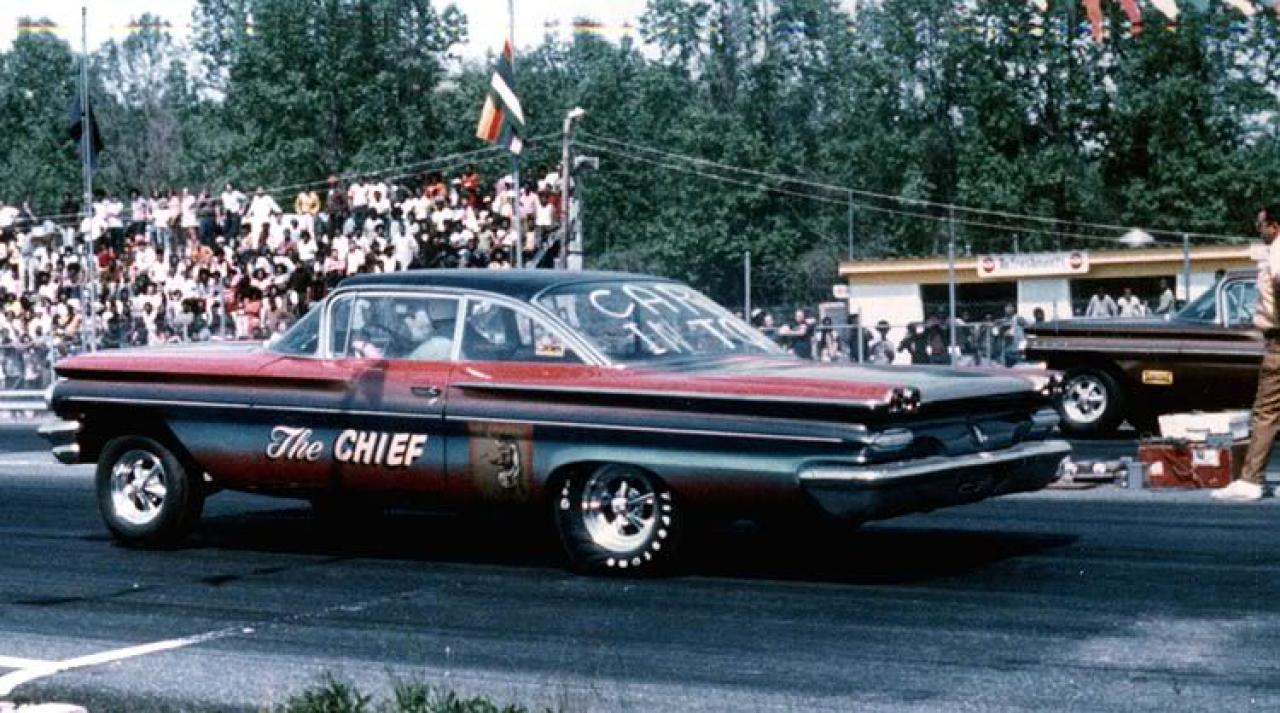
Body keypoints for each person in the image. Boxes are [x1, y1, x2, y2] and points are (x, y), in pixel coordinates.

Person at [1215, 204, 1280, 501]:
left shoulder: (1277, 249)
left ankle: (1251, 480)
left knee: (1266, 412)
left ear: (1274, 226)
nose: (1258, 230)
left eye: (1260, 225)